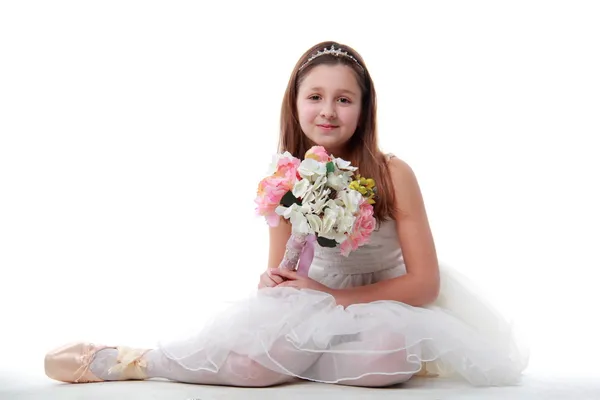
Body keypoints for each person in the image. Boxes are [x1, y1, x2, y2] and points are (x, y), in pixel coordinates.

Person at [44, 41, 528, 388]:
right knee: (256, 368)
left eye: (344, 99)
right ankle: (137, 361)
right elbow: (284, 270)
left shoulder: (392, 173)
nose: (328, 111)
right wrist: (278, 285)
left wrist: (333, 297)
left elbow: (425, 285)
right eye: (315, 96)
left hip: (386, 300)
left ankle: (293, 363)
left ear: (364, 108)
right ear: (295, 103)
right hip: (313, 298)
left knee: (389, 356)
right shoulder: (286, 177)